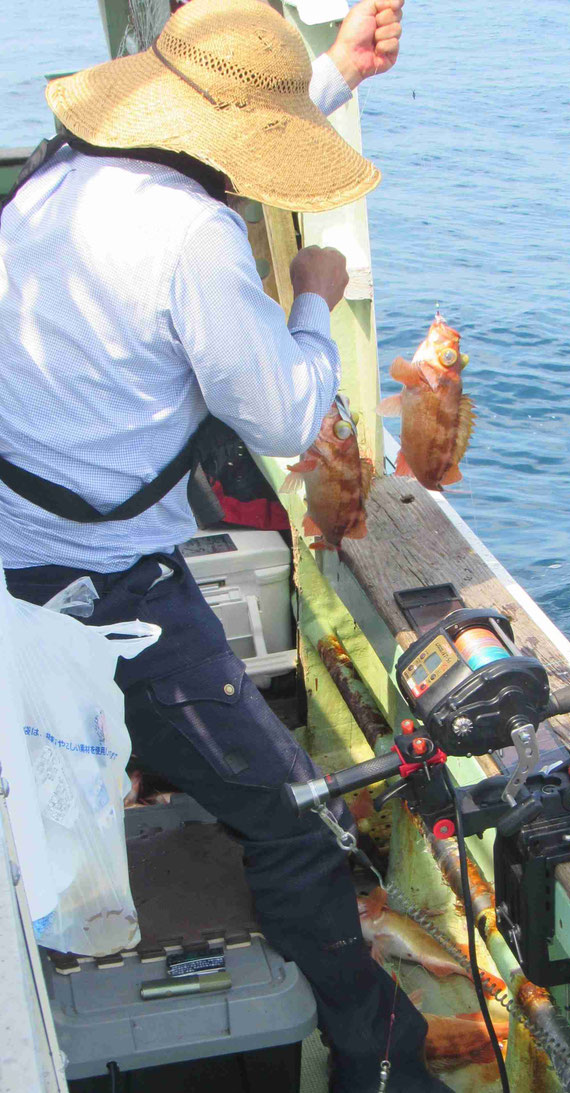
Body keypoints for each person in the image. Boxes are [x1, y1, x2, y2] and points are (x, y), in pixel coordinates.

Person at [0, 0, 451, 1090]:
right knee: (296, 816)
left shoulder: (52, 180)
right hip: (104, 595)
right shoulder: (193, 233)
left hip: (17, 566)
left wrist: (333, 73)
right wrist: (310, 297)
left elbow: (216, 152)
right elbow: (294, 417)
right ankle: (377, 1059)